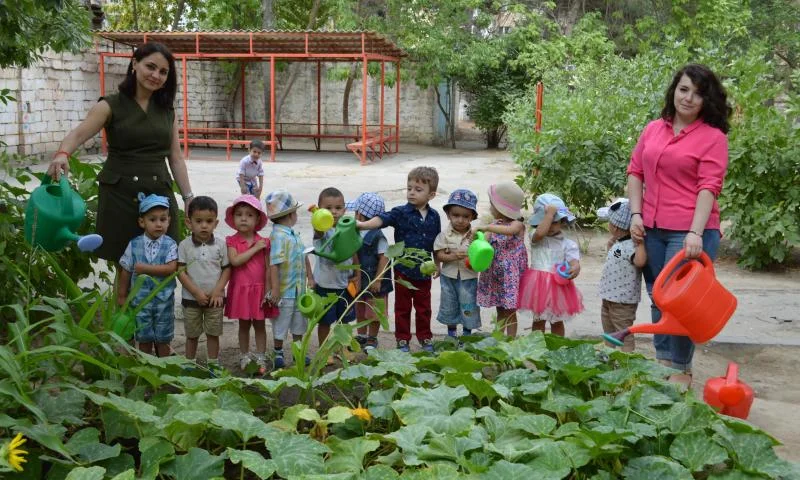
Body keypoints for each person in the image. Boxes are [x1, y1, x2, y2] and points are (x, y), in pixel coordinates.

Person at [46, 42, 194, 276]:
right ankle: (123, 312)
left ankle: (157, 313)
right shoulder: (109, 105)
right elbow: (79, 134)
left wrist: (188, 198)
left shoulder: (167, 111)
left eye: (163, 72)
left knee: (164, 261)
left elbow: (175, 158)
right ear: (135, 64)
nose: (156, 75)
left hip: (159, 195)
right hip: (120, 194)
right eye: (150, 67)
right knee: (125, 267)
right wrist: (63, 154)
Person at [627, 63, 731, 387]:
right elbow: (635, 172)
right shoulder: (653, 129)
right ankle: (663, 365)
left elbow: (708, 187)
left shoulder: (712, 138)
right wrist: (635, 214)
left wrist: (695, 233)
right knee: (659, 299)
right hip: (651, 229)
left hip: (689, 233)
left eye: (697, 94)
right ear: (674, 90)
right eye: (683, 89)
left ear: (706, 101)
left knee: (681, 305)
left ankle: (681, 371)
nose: (687, 98)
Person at [357, 167, 441, 353]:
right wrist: (363, 225)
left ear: (431, 194)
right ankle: (402, 340)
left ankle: (425, 338)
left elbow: (436, 243)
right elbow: (382, 219)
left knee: (424, 308)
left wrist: (438, 263)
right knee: (402, 308)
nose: (411, 192)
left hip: (424, 272)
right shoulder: (400, 212)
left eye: (418, 190)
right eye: (409, 188)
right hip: (403, 270)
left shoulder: (435, 217)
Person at [117, 193, 178, 357]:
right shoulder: (134, 244)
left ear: (169, 221)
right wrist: (122, 295)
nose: (158, 224)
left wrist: (144, 269)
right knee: (143, 336)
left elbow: (171, 268)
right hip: (140, 300)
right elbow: (126, 269)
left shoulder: (170, 244)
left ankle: (164, 368)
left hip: (163, 300)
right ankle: (146, 366)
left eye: (163, 219)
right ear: (142, 222)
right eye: (153, 219)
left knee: (163, 336)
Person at [224, 195, 278, 375]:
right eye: (239, 214)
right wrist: (255, 248)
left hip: (259, 290)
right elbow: (235, 261)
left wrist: (269, 289)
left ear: (257, 220)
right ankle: (244, 355)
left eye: (249, 215)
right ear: (233, 219)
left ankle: (261, 355)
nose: (244, 218)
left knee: (260, 325)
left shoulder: (265, 242)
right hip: (241, 290)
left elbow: (269, 267)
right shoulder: (232, 241)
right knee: (244, 325)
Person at [177, 196, 230, 373]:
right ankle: (189, 363)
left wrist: (218, 291)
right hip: (191, 299)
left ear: (216, 223)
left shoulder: (221, 246)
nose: (204, 225)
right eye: (198, 221)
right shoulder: (184, 246)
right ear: (188, 223)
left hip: (215, 300)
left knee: (213, 333)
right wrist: (196, 292)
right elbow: (180, 272)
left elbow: (227, 270)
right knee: (191, 334)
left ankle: (213, 363)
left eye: (209, 221)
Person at [518, 193, 584, 336]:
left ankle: (557, 347)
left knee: (557, 321)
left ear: (562, 221)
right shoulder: (535, 236)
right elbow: (541, 233)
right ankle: (536, 346)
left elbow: (574, 262)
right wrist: (550, 214)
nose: (551, 226)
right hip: (538, 286)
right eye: (547, 221)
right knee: (539, 320)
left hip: (558, 287)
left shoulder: (568, 244)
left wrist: (575, 268)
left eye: (555, 221)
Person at [266, 190, 314, 369]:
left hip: (299, 289)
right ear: (290, 215)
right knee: (282, 321)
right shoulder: (278, 236)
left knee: (299, 320)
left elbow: (304, 255)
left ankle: (298, 351)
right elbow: (274, 263)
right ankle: (278, 352)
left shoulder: (293, 234)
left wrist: (310, 276)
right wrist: (276, 289)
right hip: (285, 290)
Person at [311, 188, 359, 358]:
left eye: (338, 208)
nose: (334, 212)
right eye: (328, 208)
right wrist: (318, 219)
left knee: (344, 321)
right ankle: (325, 350)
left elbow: (354, 251)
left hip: (345, 284)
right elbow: (318, 231)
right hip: (325, 285)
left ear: (344, 209)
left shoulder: (347, 227)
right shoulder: (322, 231)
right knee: (324, 322)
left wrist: (357, 273)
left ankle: (342, 348)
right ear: (320, 210)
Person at [476, 182, 528, 337]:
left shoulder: (517, 224)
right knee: (500, 309)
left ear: (500, 207)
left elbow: (509, 231)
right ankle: (498, 338)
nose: (491, 208)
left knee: (510, 311)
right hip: (496, 276)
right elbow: (483, 243)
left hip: (510, 277)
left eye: (492, 205)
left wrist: (486, 228)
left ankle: (510, 340)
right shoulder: (494, 225)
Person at [598, 199, 647, 352]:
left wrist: (640, 244)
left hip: (623, 301)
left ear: (616, 226)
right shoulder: (620, 244)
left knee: (624, 333)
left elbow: (639, 262)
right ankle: (610, 357)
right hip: (608, 297)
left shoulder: (633, 245)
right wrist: (611, 246)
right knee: (609, 331)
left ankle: (627, 362)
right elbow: (618, 258)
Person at [348, 192, 393, 351]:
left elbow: (384, 258)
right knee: (360, 308)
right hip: (361, 280)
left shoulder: (378, 236)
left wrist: (378, 280)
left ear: (359, 214)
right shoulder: (355, 232)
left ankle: (372, 338)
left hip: (375, 282)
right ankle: (362, 335)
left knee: (375, 311)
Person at [434, 189, 480, 339]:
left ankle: (467, 336)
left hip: (469, 278)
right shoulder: (444, 235)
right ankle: (451, 335)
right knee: (450, 305)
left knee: (468, 305)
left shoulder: (475, 237)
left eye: (465, 216)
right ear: (448, 215)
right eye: (456, 215)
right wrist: (453, 256)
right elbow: (439, 254)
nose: (460, 220)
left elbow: (482, 257)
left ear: (472, 217)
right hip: (448, 277)